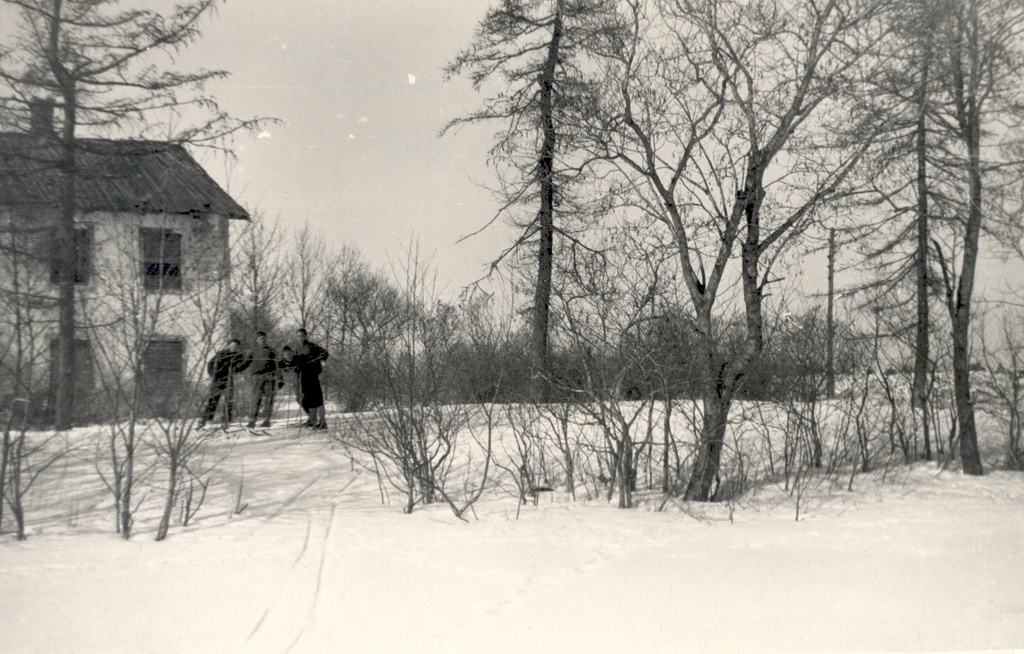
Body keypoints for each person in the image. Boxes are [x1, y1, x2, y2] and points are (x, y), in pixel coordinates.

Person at [199, 338, 246, 428]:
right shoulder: (221, 354)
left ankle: (226, 421)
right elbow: (210, 363)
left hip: (229, 379)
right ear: (228, 345)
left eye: (236, 346)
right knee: (213, 400)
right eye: (232, 345)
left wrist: (236, 369)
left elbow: (241, 366)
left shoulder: (238, 356)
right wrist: (212, 373)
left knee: (228, 401)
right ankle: (206, 420)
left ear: (238, 347)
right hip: (218, 379)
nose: (234, 347)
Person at [284, 342, 327, 429]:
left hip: (313, 381)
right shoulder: (297, 359)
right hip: (306, 383)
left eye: (289, 353)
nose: (288, 355)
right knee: (309, 401)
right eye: (286, 354)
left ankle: (322, 422)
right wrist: (291, 368)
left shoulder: (306, 357)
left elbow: (315, 367)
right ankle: (312, 421)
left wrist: (300, 368)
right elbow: (290, 367)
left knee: (318, 401)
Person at [245, 331, 283, 429]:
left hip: (270, 377)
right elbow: (245, 363)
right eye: (260, 338)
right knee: (255, 399)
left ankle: (267, 420)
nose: (262, 340)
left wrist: (280, 379)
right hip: (257, 378)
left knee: (269, 399)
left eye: (264, 338)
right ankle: (252, 421)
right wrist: (235, 368)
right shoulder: (253, 351)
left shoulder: (271, 351)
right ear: (257, 340)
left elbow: (277, 365)